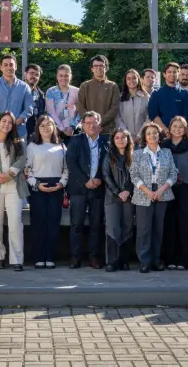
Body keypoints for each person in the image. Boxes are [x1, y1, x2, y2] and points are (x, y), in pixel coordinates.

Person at [0, 111, 28, 271]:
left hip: (14, 186)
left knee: (15, 222)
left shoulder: (19, 142)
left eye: (10, 122)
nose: (6, 124)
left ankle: (17, 259)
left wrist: (9, 174)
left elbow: (22, 160)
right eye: (4, 121)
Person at [131, 122, 177, 273]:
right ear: (145, 137)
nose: (152, 135)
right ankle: (144, 261)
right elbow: (134, 175)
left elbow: (173, 174)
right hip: (143, 194)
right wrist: (148, 192)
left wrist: (161, 189)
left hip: (162, 194)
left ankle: (156, 260)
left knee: (158, 229)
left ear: (159, 135)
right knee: (144, 230)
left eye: (155, 132)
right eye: (149, 133)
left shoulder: (167, 152)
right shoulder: (137, 154)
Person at [66, 111, 109, 269]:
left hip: (98, 188)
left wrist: (100, 179)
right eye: (88, 123)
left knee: (96, 225)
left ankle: (94, 257)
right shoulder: (75, 140)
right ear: (83, 125)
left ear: (100, 125)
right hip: (79, 188)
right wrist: (85, 181)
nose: (91, 126)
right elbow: (71, 163)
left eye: (94, 122)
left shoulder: (107, 142)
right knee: (76, 224)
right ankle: (75, 257)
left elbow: (109, 164)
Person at [26, 115, 69, 269]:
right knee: (39, 222)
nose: (45, 128)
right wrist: (36, 185)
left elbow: (66, 169)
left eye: (48, 124)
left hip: (56, 187)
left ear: (53, 127)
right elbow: (27, 170)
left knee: (53, 222)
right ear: (38, 128)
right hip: (38, 187)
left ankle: (50, 256)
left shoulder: (62, 146)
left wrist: (61, 184)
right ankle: (39, 256)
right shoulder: (32, 146)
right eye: (42, 125)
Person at [161, 116, 188, 271]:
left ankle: (187, 260)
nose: (177, 129)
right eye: (175, 126)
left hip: (186, 187)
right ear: (170, 128)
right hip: (167, 188)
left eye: (181, 127)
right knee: (170, 223)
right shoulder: (163, 146)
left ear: (185, 130)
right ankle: (171, 259)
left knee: (187, 224)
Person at [101, 128, 135, 272]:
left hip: (129, 197)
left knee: (127, 228)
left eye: (123, 137)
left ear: (128, 139)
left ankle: (124, 261)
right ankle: (112, 261)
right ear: (113, 141)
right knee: (112, 228)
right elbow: (106, 176)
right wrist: (118, 192)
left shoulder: (134, 156)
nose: (120, 140)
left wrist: (128, 191)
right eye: (117, 138)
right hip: (112, 197)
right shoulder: (109, 156)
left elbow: (137, 176)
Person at [0, 54, 33, 139]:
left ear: (16, 67)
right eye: (5, 65)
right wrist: (2, 122)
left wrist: (19, 120)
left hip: (18, 132)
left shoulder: (24, 87)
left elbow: (29, 108)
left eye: (11, 65)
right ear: (1, 67)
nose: (9, 67)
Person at [76, 55, 121, 131]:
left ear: (106, 68)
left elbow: (114, 109)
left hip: (107, 130)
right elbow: (80, 107)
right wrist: (91, 123)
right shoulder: (85, 86)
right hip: (88, 130)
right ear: (92, 69)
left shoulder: (113, 86)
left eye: (101, 66)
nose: (98, 68)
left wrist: (99, 123)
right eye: (96, 66)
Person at [147, 62, 188, 132]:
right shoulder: (156, 94)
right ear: (164, 74)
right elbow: (154, 115)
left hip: (180, 133)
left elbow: (187, 116)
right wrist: (166, 130)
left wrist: (177, 130)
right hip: (163, 133)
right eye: (169, 72)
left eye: (175, 72)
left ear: (178, 74)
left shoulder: (185, 94)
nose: (172, 74)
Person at [44, 64, 80, 141]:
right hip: (56, 130)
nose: (63, 78)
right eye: (61, 75)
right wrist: (62, 128)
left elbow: (81, 111)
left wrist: (72, 127)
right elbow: (50, 112)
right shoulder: (51, 91)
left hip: (73, 130)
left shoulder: (77, 91)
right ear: (57, 76)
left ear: (70, 76)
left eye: (66, 75)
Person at [117, 69, 149, 143]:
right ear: (125, 81)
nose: (131, 80)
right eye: (128, 78)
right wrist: (127, 134)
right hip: (125, 138)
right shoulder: (120, 98)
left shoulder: (146, 97)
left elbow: (149, 117)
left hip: (143, 137)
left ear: (138, 79)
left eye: (134, 78)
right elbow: (117, 118)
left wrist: (140, 134)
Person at [24, 64, 45, 137]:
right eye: (32, 73)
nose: (34, 76)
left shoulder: (41, 95)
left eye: (37, 75)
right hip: (19, 131)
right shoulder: (17, 90)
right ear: (25, 74)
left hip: (35, 133)